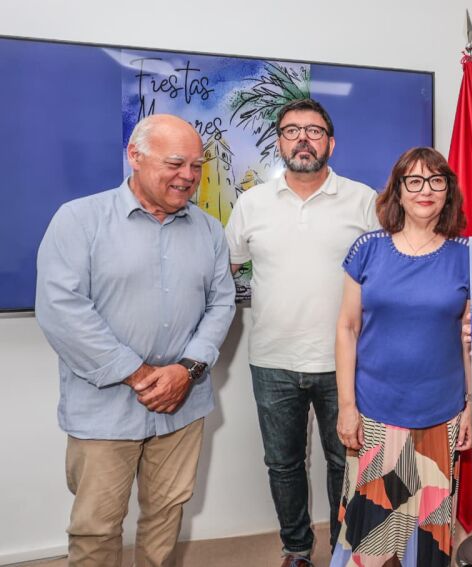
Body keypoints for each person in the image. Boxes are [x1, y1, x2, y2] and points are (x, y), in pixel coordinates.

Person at [35, 114, 236, 567]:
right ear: (135, 156)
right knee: (96, 527)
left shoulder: (209, 230)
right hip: (104, 408)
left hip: (183, 404)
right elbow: (61, 309)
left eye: (196, 165)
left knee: (166, 517)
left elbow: (221, 304)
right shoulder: (78, 220)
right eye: (175, 163)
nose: (188, 176)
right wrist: (140, 374)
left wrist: (187, 370)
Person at [225, 98, 379, 567]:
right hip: (272, 360)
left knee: (345, 463)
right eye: (292, 131)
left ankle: (342, 548)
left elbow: (386, 274)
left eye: (314, 131)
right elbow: (225, 271)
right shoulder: (251, 203)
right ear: (279, 142)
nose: (303, 140)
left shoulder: (363, 200)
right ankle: (296, 548)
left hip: (345, 362)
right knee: (283, 464)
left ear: (331, 142)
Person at [331, 147, 472, 567]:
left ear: (448, 191)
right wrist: (346, 407)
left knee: (429, 543)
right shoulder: (367, 249)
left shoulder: (467, 256)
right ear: (398, 190)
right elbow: (346, 328)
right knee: (368, 541)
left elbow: (470, 340)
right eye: (414, 180)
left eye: (436, 180)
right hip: (375, 412)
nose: (425, 190)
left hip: (441, 417)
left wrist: (471, 406)